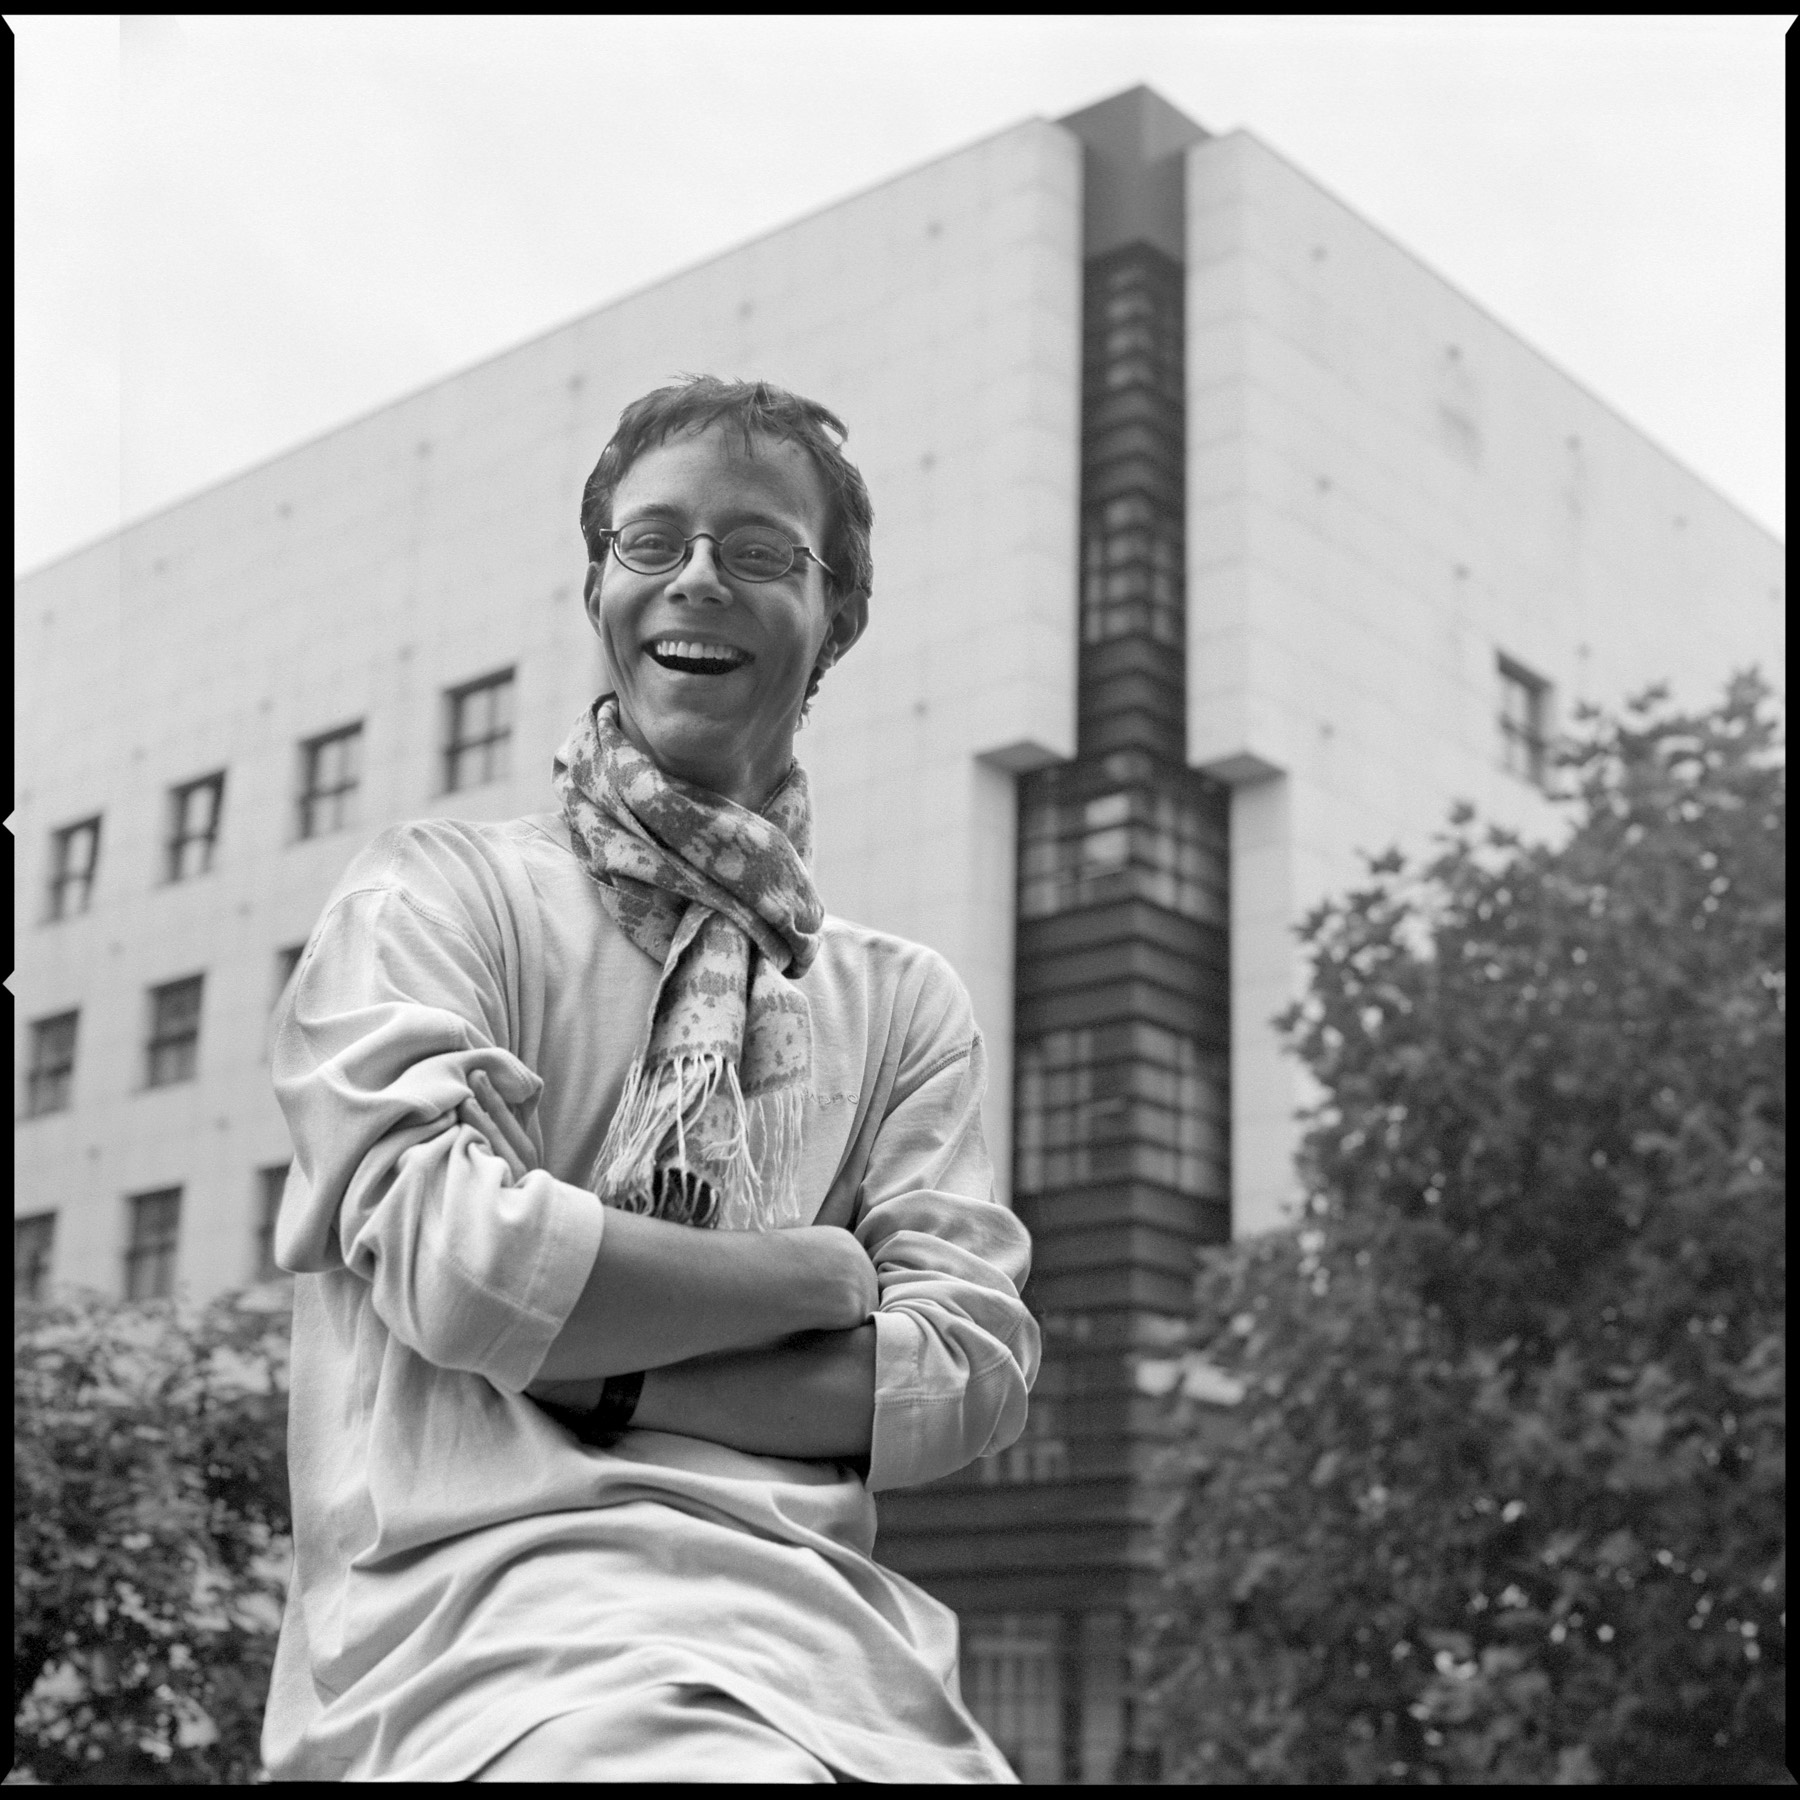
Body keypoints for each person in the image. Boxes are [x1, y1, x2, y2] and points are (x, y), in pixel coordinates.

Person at [259, 376, 1039, 1782]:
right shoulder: (435, 899)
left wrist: (592, 1360)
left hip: (833, 1658)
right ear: (600, 589)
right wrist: (817, 1279)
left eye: (761, 551)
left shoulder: (902, 1002)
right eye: (653, 542)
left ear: (839, 618)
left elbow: (966, 1371)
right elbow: (462, 1268)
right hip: (484, 1641)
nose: (698, 579)